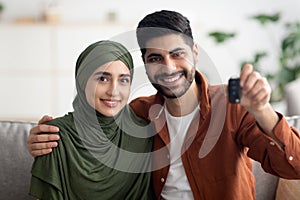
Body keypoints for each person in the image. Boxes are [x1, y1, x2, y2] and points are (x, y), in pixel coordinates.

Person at [27, 10, 300, 200]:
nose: (168, 67)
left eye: (177, 54)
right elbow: (90, 127)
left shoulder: (232, 107)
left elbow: (295, 167)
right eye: (156, 58)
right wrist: (41, 137)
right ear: (145, 64)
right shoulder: (138, 113)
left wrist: (262, 110)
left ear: (194, 52)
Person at [28, 40, 154, 200]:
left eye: (123, 80)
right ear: (82, 81)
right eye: (103, 79)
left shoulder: (143, 136)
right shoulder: (55, 136)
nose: (113, 91)